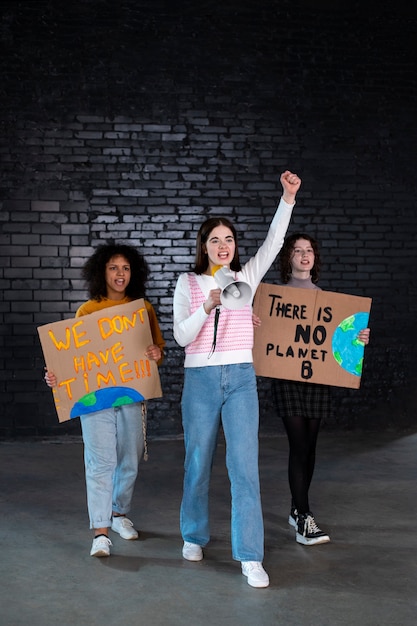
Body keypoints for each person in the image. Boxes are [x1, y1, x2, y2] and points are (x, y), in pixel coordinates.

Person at [173, 170, 301, 588]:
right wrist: (206, 306)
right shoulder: (188, 283)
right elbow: (181, 337)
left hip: (241, 378)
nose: (223, 246)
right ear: (204, 246)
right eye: (215, 240)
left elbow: (275, 242)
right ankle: (193, 535)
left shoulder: (246, 279)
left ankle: (250, 556)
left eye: (228, 239)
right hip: (201, 381)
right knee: (197, 461)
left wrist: (287, 197)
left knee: (244, 466)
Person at [45, 243, 165, 557]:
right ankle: (100, 531)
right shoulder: (87, 311)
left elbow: (157, 352)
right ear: (102, 271)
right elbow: (74, 361)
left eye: (125, 268)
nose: (120, 274)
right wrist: (57, 376)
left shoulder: (143, 309)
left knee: (129, 459)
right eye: (113, 268)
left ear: (133, 272)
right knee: (100, 463)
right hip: (95, 398)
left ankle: (118, 513)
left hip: (132, 394)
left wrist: (156, 354)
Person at [268, 233, 370, 546]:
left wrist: (357, 338)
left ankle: (296, 507)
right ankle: (303, 516)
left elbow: (334, 342)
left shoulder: (326, 299)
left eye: (308, 250)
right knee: (299, 446)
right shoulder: (276, 299)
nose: (303, 255)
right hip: (288, 379)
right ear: (288, 258)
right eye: (297, 250)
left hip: (317, 379)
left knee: (310, 447)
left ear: (314, 257)